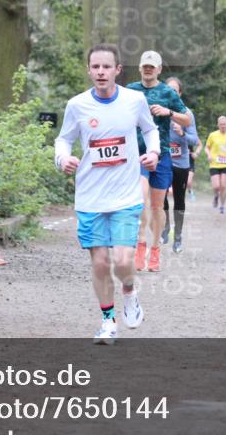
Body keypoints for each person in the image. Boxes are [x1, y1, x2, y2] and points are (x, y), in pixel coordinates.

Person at [55, 43, 160, 345]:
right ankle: (107, 321)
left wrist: (153, 152)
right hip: (90, 197)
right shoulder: (77, 106)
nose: (101, 72)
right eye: (95, 67)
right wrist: (63, 159)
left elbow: (150, 130)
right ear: (89, 70)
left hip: (125, 195)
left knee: (124, 259)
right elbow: (63, 140)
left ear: (117, 70)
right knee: (101, 263)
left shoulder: (134, 100)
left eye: (106, 67)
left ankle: (129, 292)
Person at [127, 50, 191, 272]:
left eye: (152, 66)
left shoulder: (167, 92)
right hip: (137, 153)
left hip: (162, 154)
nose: (148, 68)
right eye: (145, 65)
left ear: (159, 69)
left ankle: (155, 249)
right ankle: (140, 244)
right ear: (140, 67)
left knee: (156, 205)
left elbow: (188, 119)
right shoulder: (130, 91)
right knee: (141, 199)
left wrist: (168, 112)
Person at [160, 77, 198, 254]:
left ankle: (178, 237)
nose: (172, 93)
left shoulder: (187, 114)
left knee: (179, 200)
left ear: (180, 93)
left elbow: (194, 139)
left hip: (181, 163)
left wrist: (182, 132)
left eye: (175, 90)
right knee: (161, 197)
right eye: (169, 90)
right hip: (163, 160)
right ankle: (166, 226)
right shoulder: (159, 110)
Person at [205, 115, 226, 213]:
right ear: (218, 125)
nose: (222, 126)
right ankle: (216, 196)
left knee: (223, 185)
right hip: (214, 164)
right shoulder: (212, 135)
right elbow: (207, 147)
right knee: (216, 186)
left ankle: (222, 205)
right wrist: (209, 155)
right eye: (221, 124)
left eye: (224, 124)